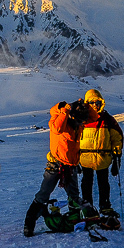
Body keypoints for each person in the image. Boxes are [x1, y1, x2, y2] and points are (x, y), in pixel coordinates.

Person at [23, 99, 94, 237]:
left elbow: (94, 117)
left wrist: (86, 105)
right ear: (73, 116)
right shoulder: (59, 120)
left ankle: (74, 221)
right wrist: (65, 110)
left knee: (74, 197)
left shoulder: (76, 124)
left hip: (71, 166)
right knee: (43, 195)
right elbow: (56, 129)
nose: (82, 124)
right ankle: (29, 225)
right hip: (56, 165)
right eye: (80, 121)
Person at [77, 89, 124, 218]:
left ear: (101, 102)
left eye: (97, 102)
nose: (94, 104)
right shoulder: (81, 119)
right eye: (91, 102)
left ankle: (105, 206)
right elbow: (74, 139)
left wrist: (117, 157)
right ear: (87, 103)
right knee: (87, 183)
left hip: (103, 158)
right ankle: (88, 207)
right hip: (85, 158)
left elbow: (117, 138)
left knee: (103, 183)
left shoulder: (107, 120)